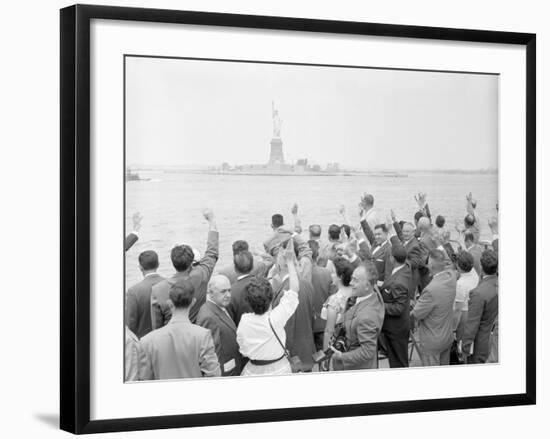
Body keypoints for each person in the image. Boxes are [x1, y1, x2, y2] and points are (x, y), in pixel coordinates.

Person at [236, 243, 300, 376]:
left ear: (248, 301)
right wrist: (289, 261)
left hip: (253, 369)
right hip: (279, 368)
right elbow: (294, 289)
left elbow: (243, 348)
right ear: (271, 298)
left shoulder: (245, 320)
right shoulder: (275, 318)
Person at [141, 279, 221, 380]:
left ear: (169, 303)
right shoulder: (203, 336)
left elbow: (144, 379)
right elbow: (214, 375)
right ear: (193, 302)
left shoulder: (147, 341)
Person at [151, 209, 219, 328]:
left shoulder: (157, 290)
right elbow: (212, 252)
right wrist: (212, 221)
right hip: (198, 335)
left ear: (173, 262)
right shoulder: (201, 275)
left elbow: (157, 326)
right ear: (191, 263)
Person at [270, 240, 316, 371]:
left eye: (278, 255)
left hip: (294, 356)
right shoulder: (307, 285)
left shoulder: (285, 292)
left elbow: (286, 328)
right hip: (308, 348)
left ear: (281, 262)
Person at [330, 261, 385, 370]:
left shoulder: (367, 316)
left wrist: (342, 356)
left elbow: (367, 351)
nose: (350, 283)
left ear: (367, 286)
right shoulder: (366, 295)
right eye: (352, 278)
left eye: (355, 280)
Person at [411, 249, 457, 366]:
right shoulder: (451, 276)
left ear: (430, 265)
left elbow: (417, 314)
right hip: (447, 337)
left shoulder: (430, 290)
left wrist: (415, 304)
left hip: (432, 341)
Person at [196, 275, 244, 376]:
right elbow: (211, 355)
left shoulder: (220, 305)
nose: (228, 295)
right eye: (223, 291)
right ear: (211, 293)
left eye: (229, 290)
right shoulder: (208, 317)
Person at [461, 250, 498, 364]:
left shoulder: (478, 293)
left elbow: (472, 324)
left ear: (481, 267)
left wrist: (465, 347)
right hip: (492, 339)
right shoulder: (495, 283)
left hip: (481, 345)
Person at [379, 245, 412, 368]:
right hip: (395, 327)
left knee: (398, 362)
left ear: (392, 258)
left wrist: (380, 306)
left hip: (396, 328)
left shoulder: (399, 282)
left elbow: (398, 308)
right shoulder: (406, 267)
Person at [126, 250, 164, 339]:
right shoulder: (169, 284)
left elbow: (131, 324)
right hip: (165, 339)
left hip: (143, 341)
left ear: (140, 267)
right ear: (158, 264)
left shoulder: (133, 291)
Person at [308, 240, 337, 352]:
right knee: (323, 355)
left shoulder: (299, 275)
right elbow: (333, 298)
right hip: (322, 322)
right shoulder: (326, 273)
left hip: (307, 324)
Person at [453, 251, 479, 341]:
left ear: (459, 266)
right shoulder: (473, 271)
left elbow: (457, 310)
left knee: (460, 340)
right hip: (474, 310)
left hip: (464, 314)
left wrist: (453, 328)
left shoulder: (460, 284)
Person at [226, 250, 256, 326]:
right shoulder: (263, 284)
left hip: (242, 332)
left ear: (235, 268)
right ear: (252, 267)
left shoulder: (231, 291)